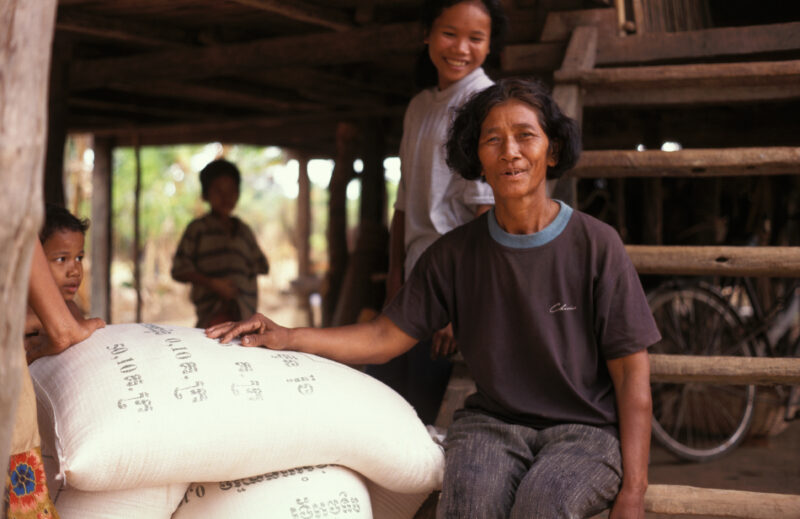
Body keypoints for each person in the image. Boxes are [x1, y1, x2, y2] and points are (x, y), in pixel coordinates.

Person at [206, 78, 659, 518]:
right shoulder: (455, 254)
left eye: (526, 136)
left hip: (585, 432)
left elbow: (632, 372)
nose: (510, 152)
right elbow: (384, 336)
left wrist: (634, 491)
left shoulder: (596, 245)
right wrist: (288, 336)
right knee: (470, 506)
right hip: (493, 427)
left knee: (542, 505)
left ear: (552, 149)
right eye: (492, 140)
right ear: (476, 158)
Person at [374, 0, 509, 425]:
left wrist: (457, 302)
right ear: (427, 35)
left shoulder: (485, 103)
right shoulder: (420, 106)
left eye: (476, 38)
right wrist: (395, 278)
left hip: (449, 286)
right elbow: (403, 200)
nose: (461, 48)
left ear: (490, 46)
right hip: (414, 281)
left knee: (417, 417)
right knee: (387, 402)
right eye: (450, 33)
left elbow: (486, 215)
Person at [171, 159, 269, 328]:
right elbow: (178, 270)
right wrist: (212, 283)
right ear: (205, 194)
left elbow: (263, 266)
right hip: (211, 316)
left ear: (238, 193)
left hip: (245, 316)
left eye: (231, 191)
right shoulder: (198, 229)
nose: (225, 197)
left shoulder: (244, 231)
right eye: (218, 191)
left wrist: (239, 283)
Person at [25, 204, 105, 364]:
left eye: (79, 258)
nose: (75, 271)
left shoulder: (69, 309)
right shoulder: (9, 308)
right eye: (61, 259)